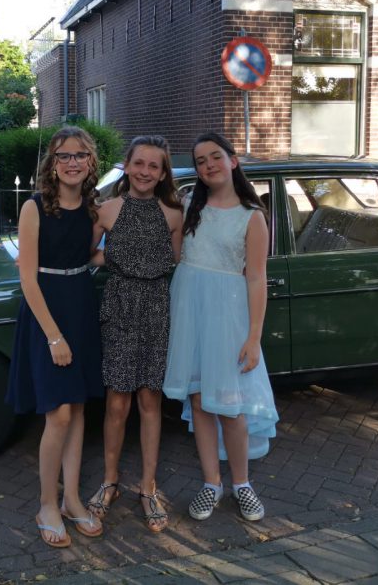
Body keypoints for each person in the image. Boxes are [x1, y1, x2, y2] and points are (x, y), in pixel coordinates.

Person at [163, 132, 279, 523]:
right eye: (200, 161)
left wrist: (253, 337)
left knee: (230, 406)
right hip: (190, 314)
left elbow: (256, 279)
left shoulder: (252, 216)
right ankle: (211, 483)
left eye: (215, 156)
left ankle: (242, 484)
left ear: (232, 160)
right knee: (199, 401)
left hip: (227, 318)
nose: (208, 165)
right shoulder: (189, 206)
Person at [6, 126, 105, 548]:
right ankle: (47, 503)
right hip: (47, 312)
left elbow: (88, 255)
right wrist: (53, 337)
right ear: (52, 163)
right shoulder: (34, 207)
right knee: (59, 414)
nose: (72, 162)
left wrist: (117, 254)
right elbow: (27, 279)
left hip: (81, 305)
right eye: (64, 155)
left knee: (77, 409)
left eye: (80, 155)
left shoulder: (93, 209)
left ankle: (72, 499)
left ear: (90, 161)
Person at [85, 136, 184, 533]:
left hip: (156, 309)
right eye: (139, 163)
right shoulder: (107, 209)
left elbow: (176, 259)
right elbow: (85, 253)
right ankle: (110, 482)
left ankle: (148, 487)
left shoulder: (173, 213)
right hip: (120, 307)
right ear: (127, 166)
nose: (145, 171)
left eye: (153, 166)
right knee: (117, 401)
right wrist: (116, 258)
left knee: (149, 399)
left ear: (162, 173)